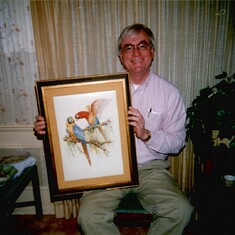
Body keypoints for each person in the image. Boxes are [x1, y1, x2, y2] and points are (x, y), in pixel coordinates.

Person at [34, 23, 193, 234]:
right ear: (120, 56)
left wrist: (147, 135)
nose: (136, 52)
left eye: (142, 45)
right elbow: (71, 116)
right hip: (107, 170)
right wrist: (50, 127)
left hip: (151, 169)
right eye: (128, 47)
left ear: (152, 52)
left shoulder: (169, 93)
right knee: (89, 216)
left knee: (180, 210)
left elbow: (177, 142)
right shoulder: (100, 90)